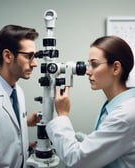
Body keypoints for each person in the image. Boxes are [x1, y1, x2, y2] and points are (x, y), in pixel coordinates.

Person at [46, 36, 135, 168]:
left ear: (116, 68)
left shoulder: (125, 115)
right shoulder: (115, 105)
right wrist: (77, 138)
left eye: (94, 64)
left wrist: (63, 115)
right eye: (88, 64)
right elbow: (103, 143)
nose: (87, 71)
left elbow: (77, 160)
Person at [0, 25, 39, 168]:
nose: (35, 63)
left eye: (35, 56)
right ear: (7, 56)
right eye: (29, 56)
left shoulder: (18, 91)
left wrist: (25, 123)